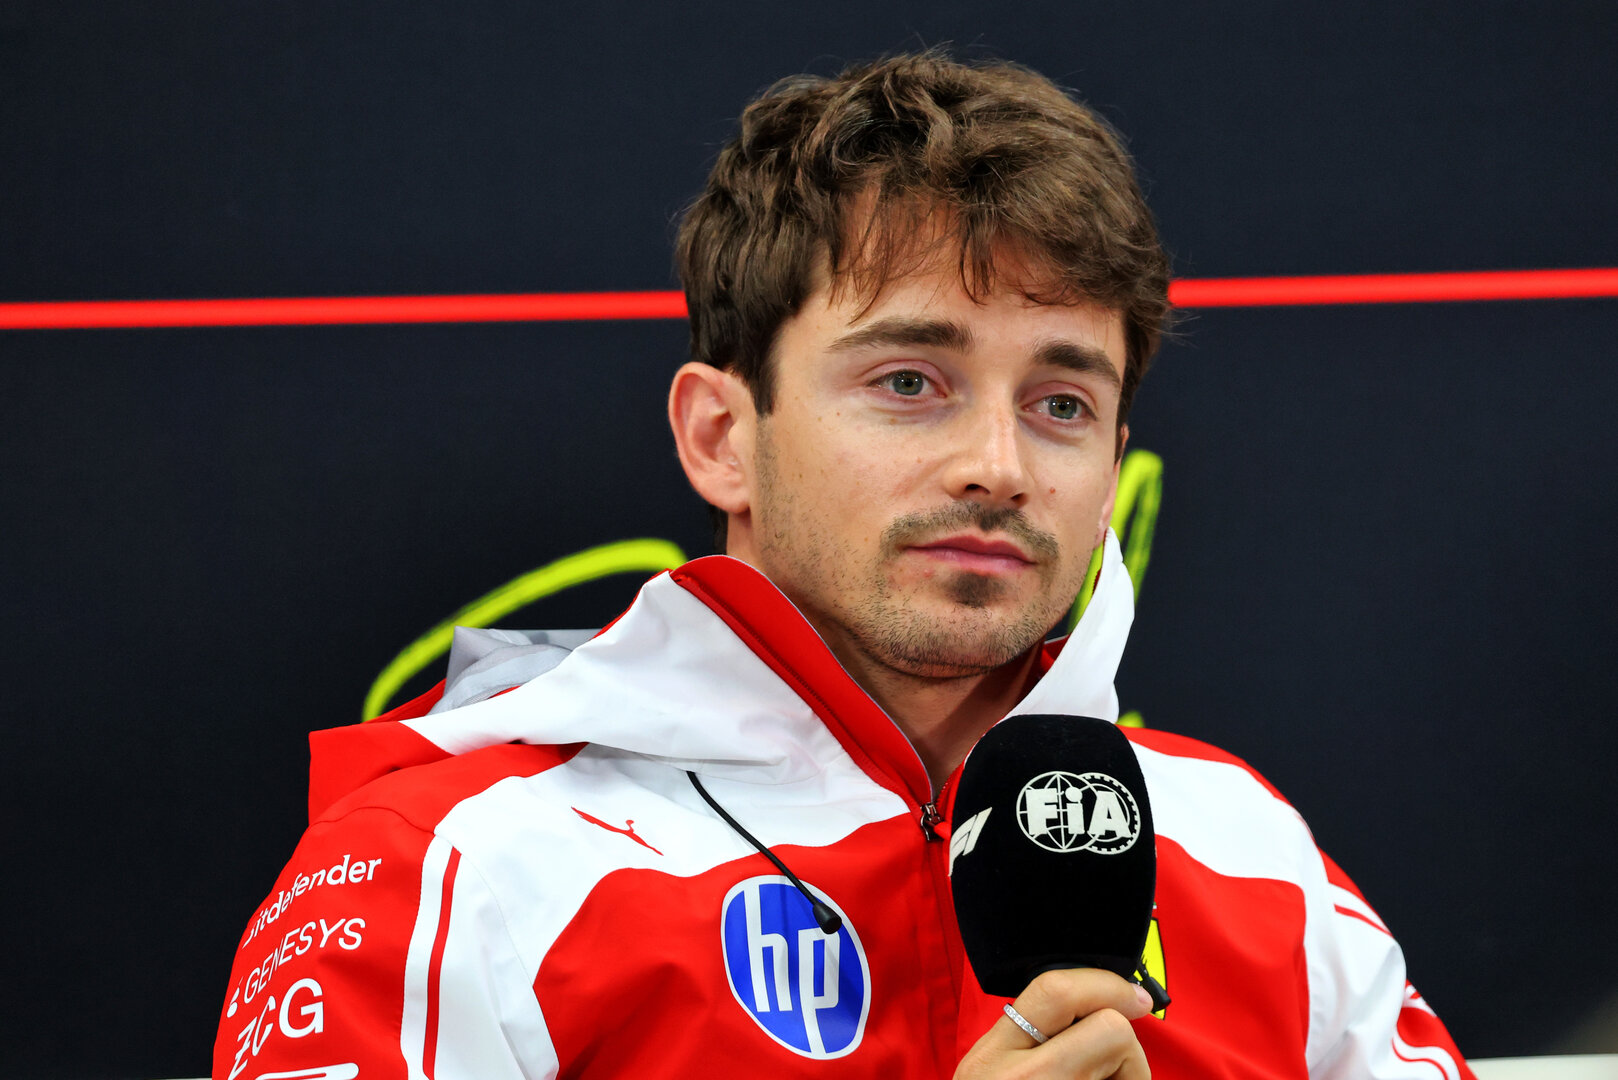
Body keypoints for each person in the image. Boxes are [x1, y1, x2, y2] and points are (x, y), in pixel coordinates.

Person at [212, 51, 1474, 1079]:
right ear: (722, 436)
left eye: (1061, 404)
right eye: (910, 382)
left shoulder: (1251, 852)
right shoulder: (456, 861)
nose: (999, 465)